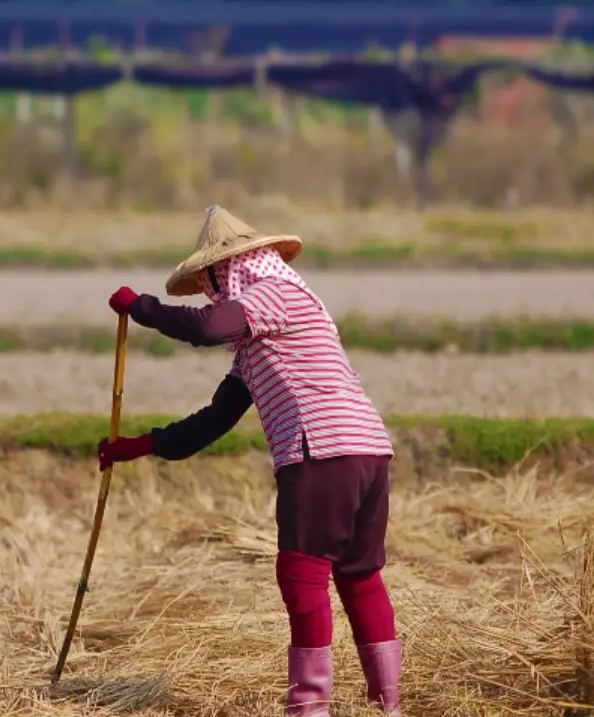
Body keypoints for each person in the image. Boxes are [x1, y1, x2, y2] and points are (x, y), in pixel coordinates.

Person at [97, 206, 402, 716]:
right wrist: (138, 446)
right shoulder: (261, 339)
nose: (214, 290)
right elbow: (213, 421)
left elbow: (210, 327)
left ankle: (310, 708)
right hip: (369, 451)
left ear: (230, 268)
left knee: (303, 576)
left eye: (213, 279)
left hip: (321, 450)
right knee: (358, 575)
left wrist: (143, 307)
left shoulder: (274, 295)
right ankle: (387, 707)